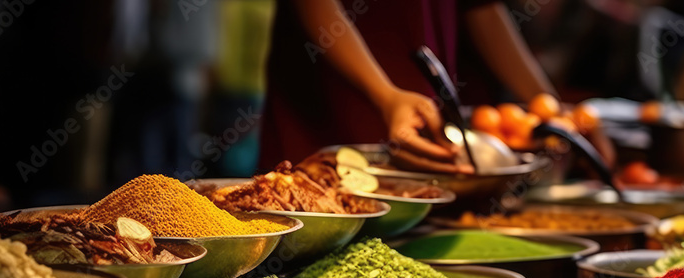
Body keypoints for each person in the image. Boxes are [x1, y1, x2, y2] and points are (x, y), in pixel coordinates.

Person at [259, 0, 611, 173]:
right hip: (334, 94)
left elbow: (483, 8)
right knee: (313, 204)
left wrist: (546, 106)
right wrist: (385, 95)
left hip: (418, 101)